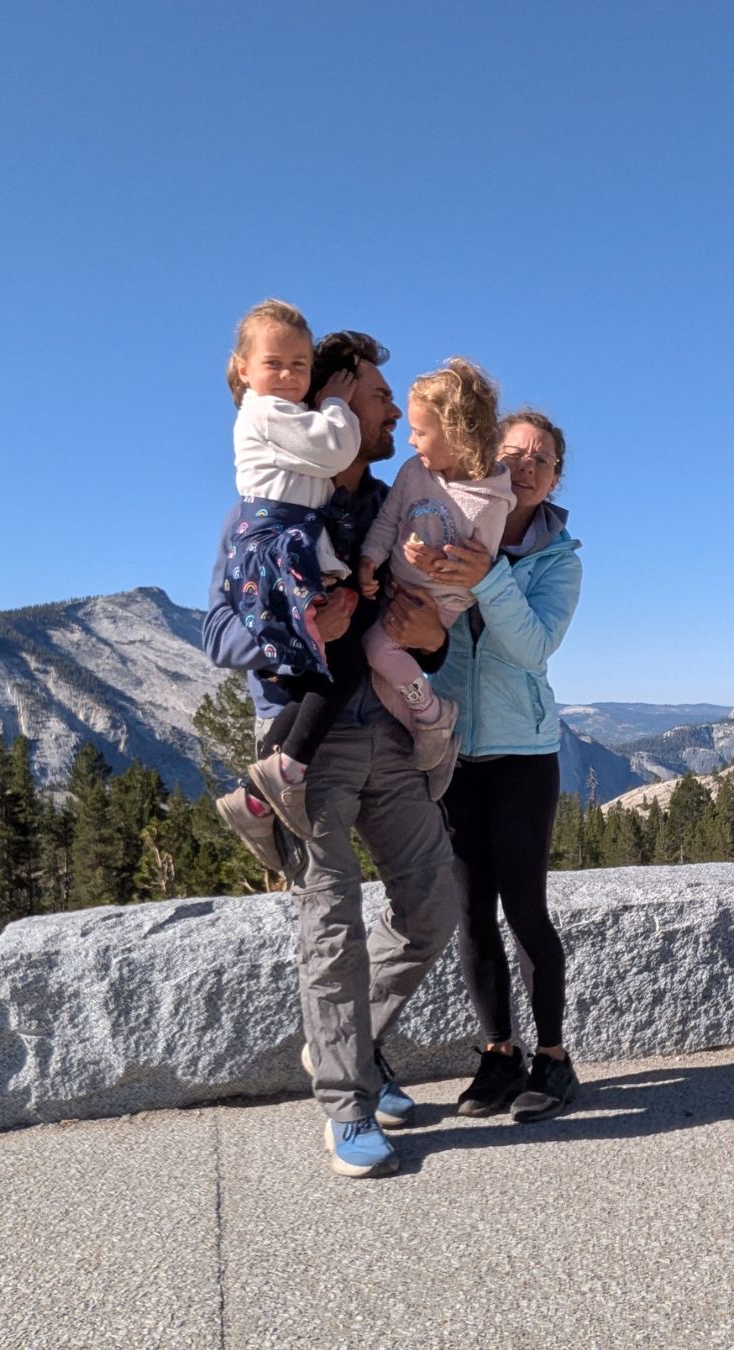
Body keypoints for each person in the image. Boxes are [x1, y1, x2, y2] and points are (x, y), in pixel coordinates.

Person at [202, 329, 458, 1179]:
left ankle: (344, 1045)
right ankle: (347, 1105)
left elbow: (427, 625)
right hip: (311, 743)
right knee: (331, 923)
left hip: (386, 729)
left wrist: (431, 643)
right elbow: (219, 632)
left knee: (431, 909)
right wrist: (303, 628)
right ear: (339, 399)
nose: (392, 414)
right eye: (381, 397)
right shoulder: (268, 511)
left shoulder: (392, 504)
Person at [407, 411, 582, 1122]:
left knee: (526, 910)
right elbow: (422, 635)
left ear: (556, 477)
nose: (526, 465)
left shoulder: (560, 560)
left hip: (521, 754)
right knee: (472, 913)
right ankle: (498, 1053)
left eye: (542, 458)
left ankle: (555, 1059)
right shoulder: (447, 525)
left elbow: (533, 649)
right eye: (513, 453)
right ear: (490, 461)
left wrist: (489, 579)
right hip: (453, 748)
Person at [216, 300, 366, 849]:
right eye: (275, 363)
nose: (287, 376)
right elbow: (332, 450)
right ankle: (275, 779)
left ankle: (260, 792)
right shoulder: (265, 412)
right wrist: (335, 403)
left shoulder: (280, 415)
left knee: (319, 669)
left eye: (299, 365)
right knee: (334, 662)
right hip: (279, 545)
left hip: (292, 542)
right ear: (243, 368)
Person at [358, 358, 514, 774]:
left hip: (437, 603)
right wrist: (371, 558)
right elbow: (389, 519)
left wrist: (435, 563)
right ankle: (431, 741)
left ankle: (433, 715)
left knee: (377, 650)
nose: (411, 441)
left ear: (458, 435)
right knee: (384, 682)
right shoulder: (414, 473)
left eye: (420, 432)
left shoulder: (488, 502)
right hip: (396, 587)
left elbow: (474, 573)